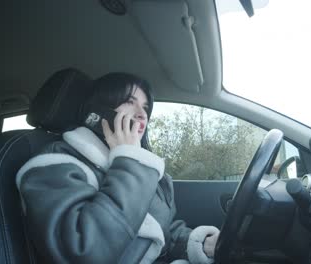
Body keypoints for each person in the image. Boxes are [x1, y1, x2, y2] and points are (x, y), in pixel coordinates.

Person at [16, 73, 219, 264]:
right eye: (130, 102)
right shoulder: (54, 166)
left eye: (146, 108)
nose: (142, 115)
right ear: (98, 110)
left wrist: (200, 243)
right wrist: (129, 162)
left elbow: (161, 228)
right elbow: (84, 250)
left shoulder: (136, 165)